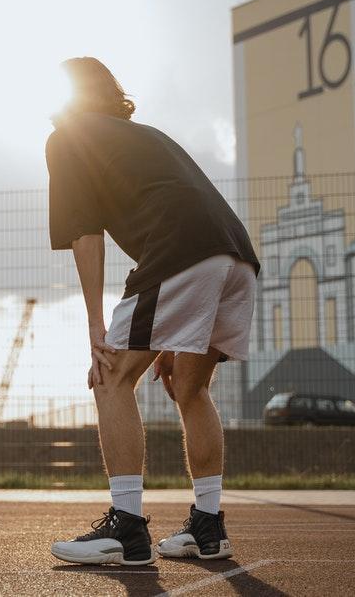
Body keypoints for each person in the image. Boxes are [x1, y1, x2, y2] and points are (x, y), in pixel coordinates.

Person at [45, 58, 260, 566]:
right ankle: (208, 528)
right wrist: (170, 336)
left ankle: (126, 529)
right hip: (237, 258)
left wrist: (97, 327)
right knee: (190, 387)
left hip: (181, 252)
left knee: (111, 377)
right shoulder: (146, 135)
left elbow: (85, 234)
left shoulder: (68, 137)